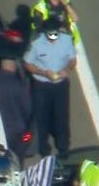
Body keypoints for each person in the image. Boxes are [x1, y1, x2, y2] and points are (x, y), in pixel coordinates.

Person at [24, 18, 77, 158]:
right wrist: (43, 73)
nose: (53, 37)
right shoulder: (36, 44)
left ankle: (64, 148)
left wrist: (67, 69)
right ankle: (44, 149)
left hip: (60, 85)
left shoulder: (66, 40)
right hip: (41, 85)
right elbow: (28, 64)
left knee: (62, 117)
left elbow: (72, 60)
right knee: (42, 117)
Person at [0, 59, 32, 166]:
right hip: (17, 132)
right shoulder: (19, 85)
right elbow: (27, 109)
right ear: (13, 67)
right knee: (17, 158)